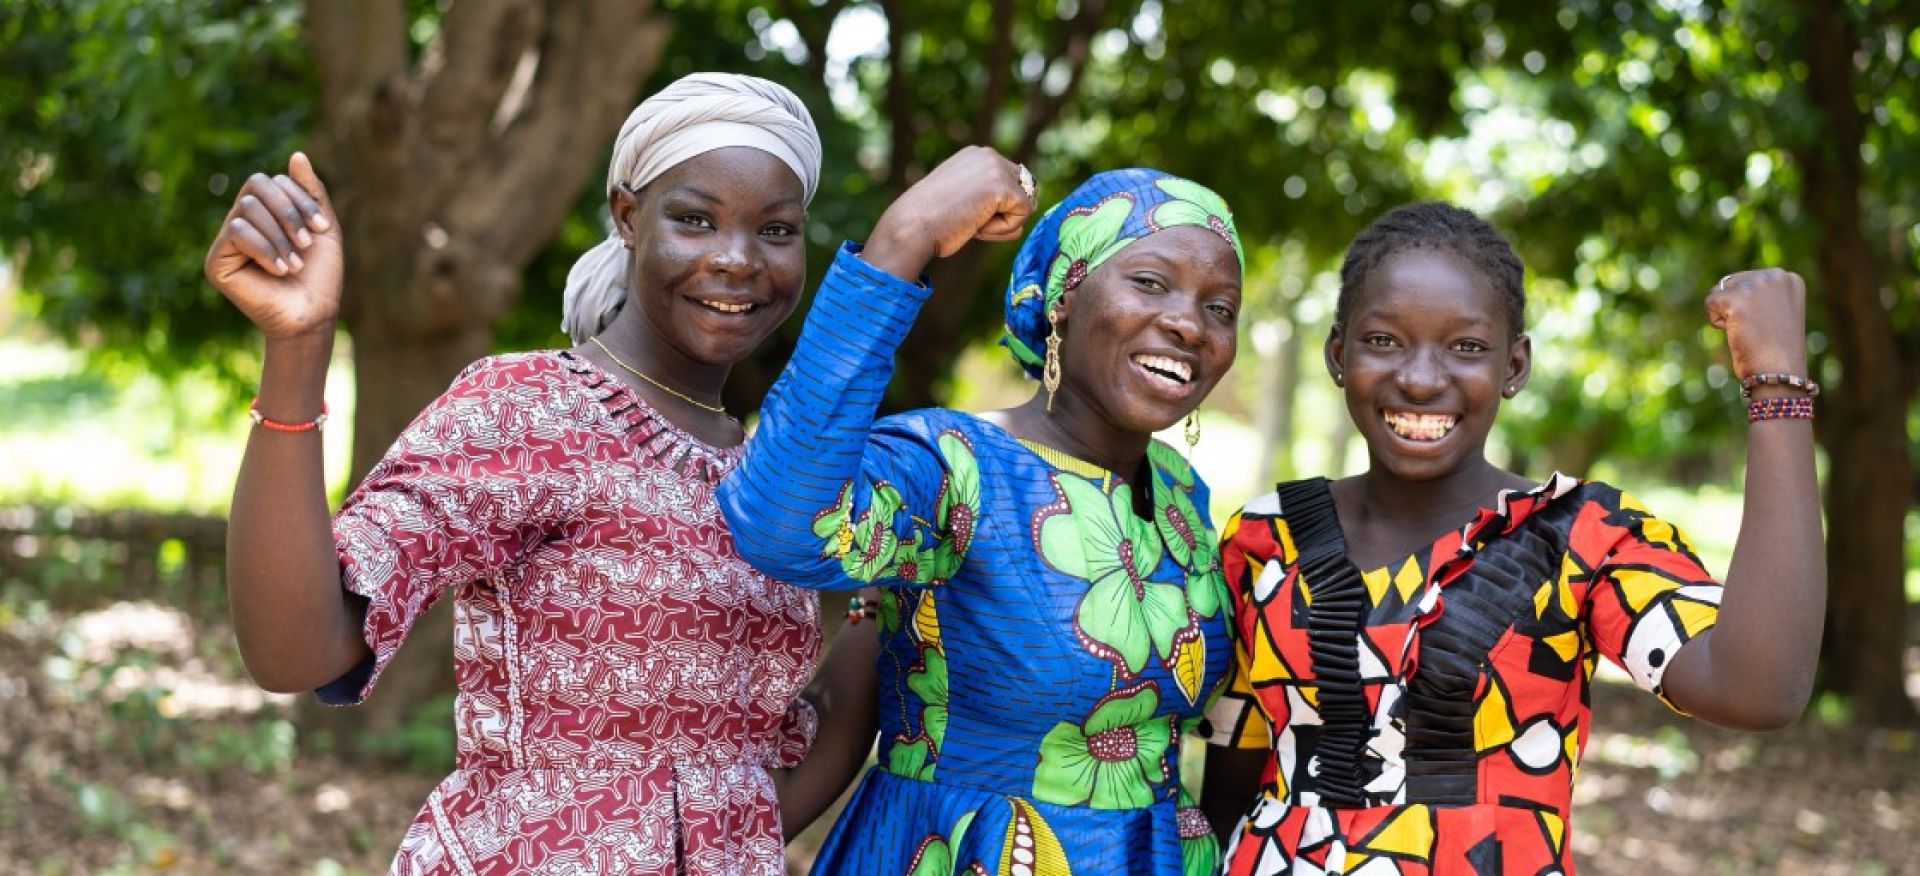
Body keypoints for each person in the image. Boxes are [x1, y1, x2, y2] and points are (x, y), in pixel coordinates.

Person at [203, 72, 876, 874]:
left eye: (776, 230)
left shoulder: (769, 474)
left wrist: (914, 570)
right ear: (629, 216)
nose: (736, 259)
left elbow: (753, 788)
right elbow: (298, 652)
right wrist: (299, 346)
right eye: (694, 220)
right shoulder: (530, 409)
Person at [1200, 201, 1825, 874]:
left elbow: (1758, 692)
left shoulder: (1584, 538)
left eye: (1466, 347)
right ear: (1337, 354)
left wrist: (1775, 387)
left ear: (1515, 366)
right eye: (1384, 340)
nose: (1420, 378)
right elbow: (1231, 780)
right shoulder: (1268, 537)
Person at [718, 151, 1246, 875]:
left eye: (1220, 308)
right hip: (965, 849)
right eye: (1151, 282)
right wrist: (906, 237)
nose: (1189, 323)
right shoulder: (955, 464)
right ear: (1063, 295)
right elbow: (780, 523)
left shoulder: (1182, 494)